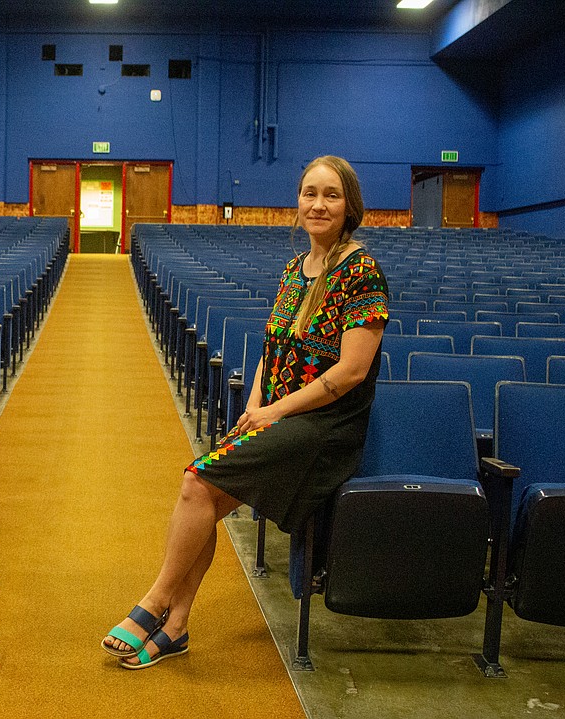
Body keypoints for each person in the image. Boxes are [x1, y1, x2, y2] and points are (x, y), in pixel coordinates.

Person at [101, 155, 388, 669]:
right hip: (279, 417)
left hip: (324, 428)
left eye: (331, 195)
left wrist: (275, 413)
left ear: (350, 207)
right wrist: (255, 404)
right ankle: (177, 628)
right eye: (309, 193)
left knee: (195, 483)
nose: (318, 204)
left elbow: (349, 374)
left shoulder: (360, 271)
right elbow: (273, 348)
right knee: (203, 498)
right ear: (297, 203)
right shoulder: (296, 269)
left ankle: (155, 602)